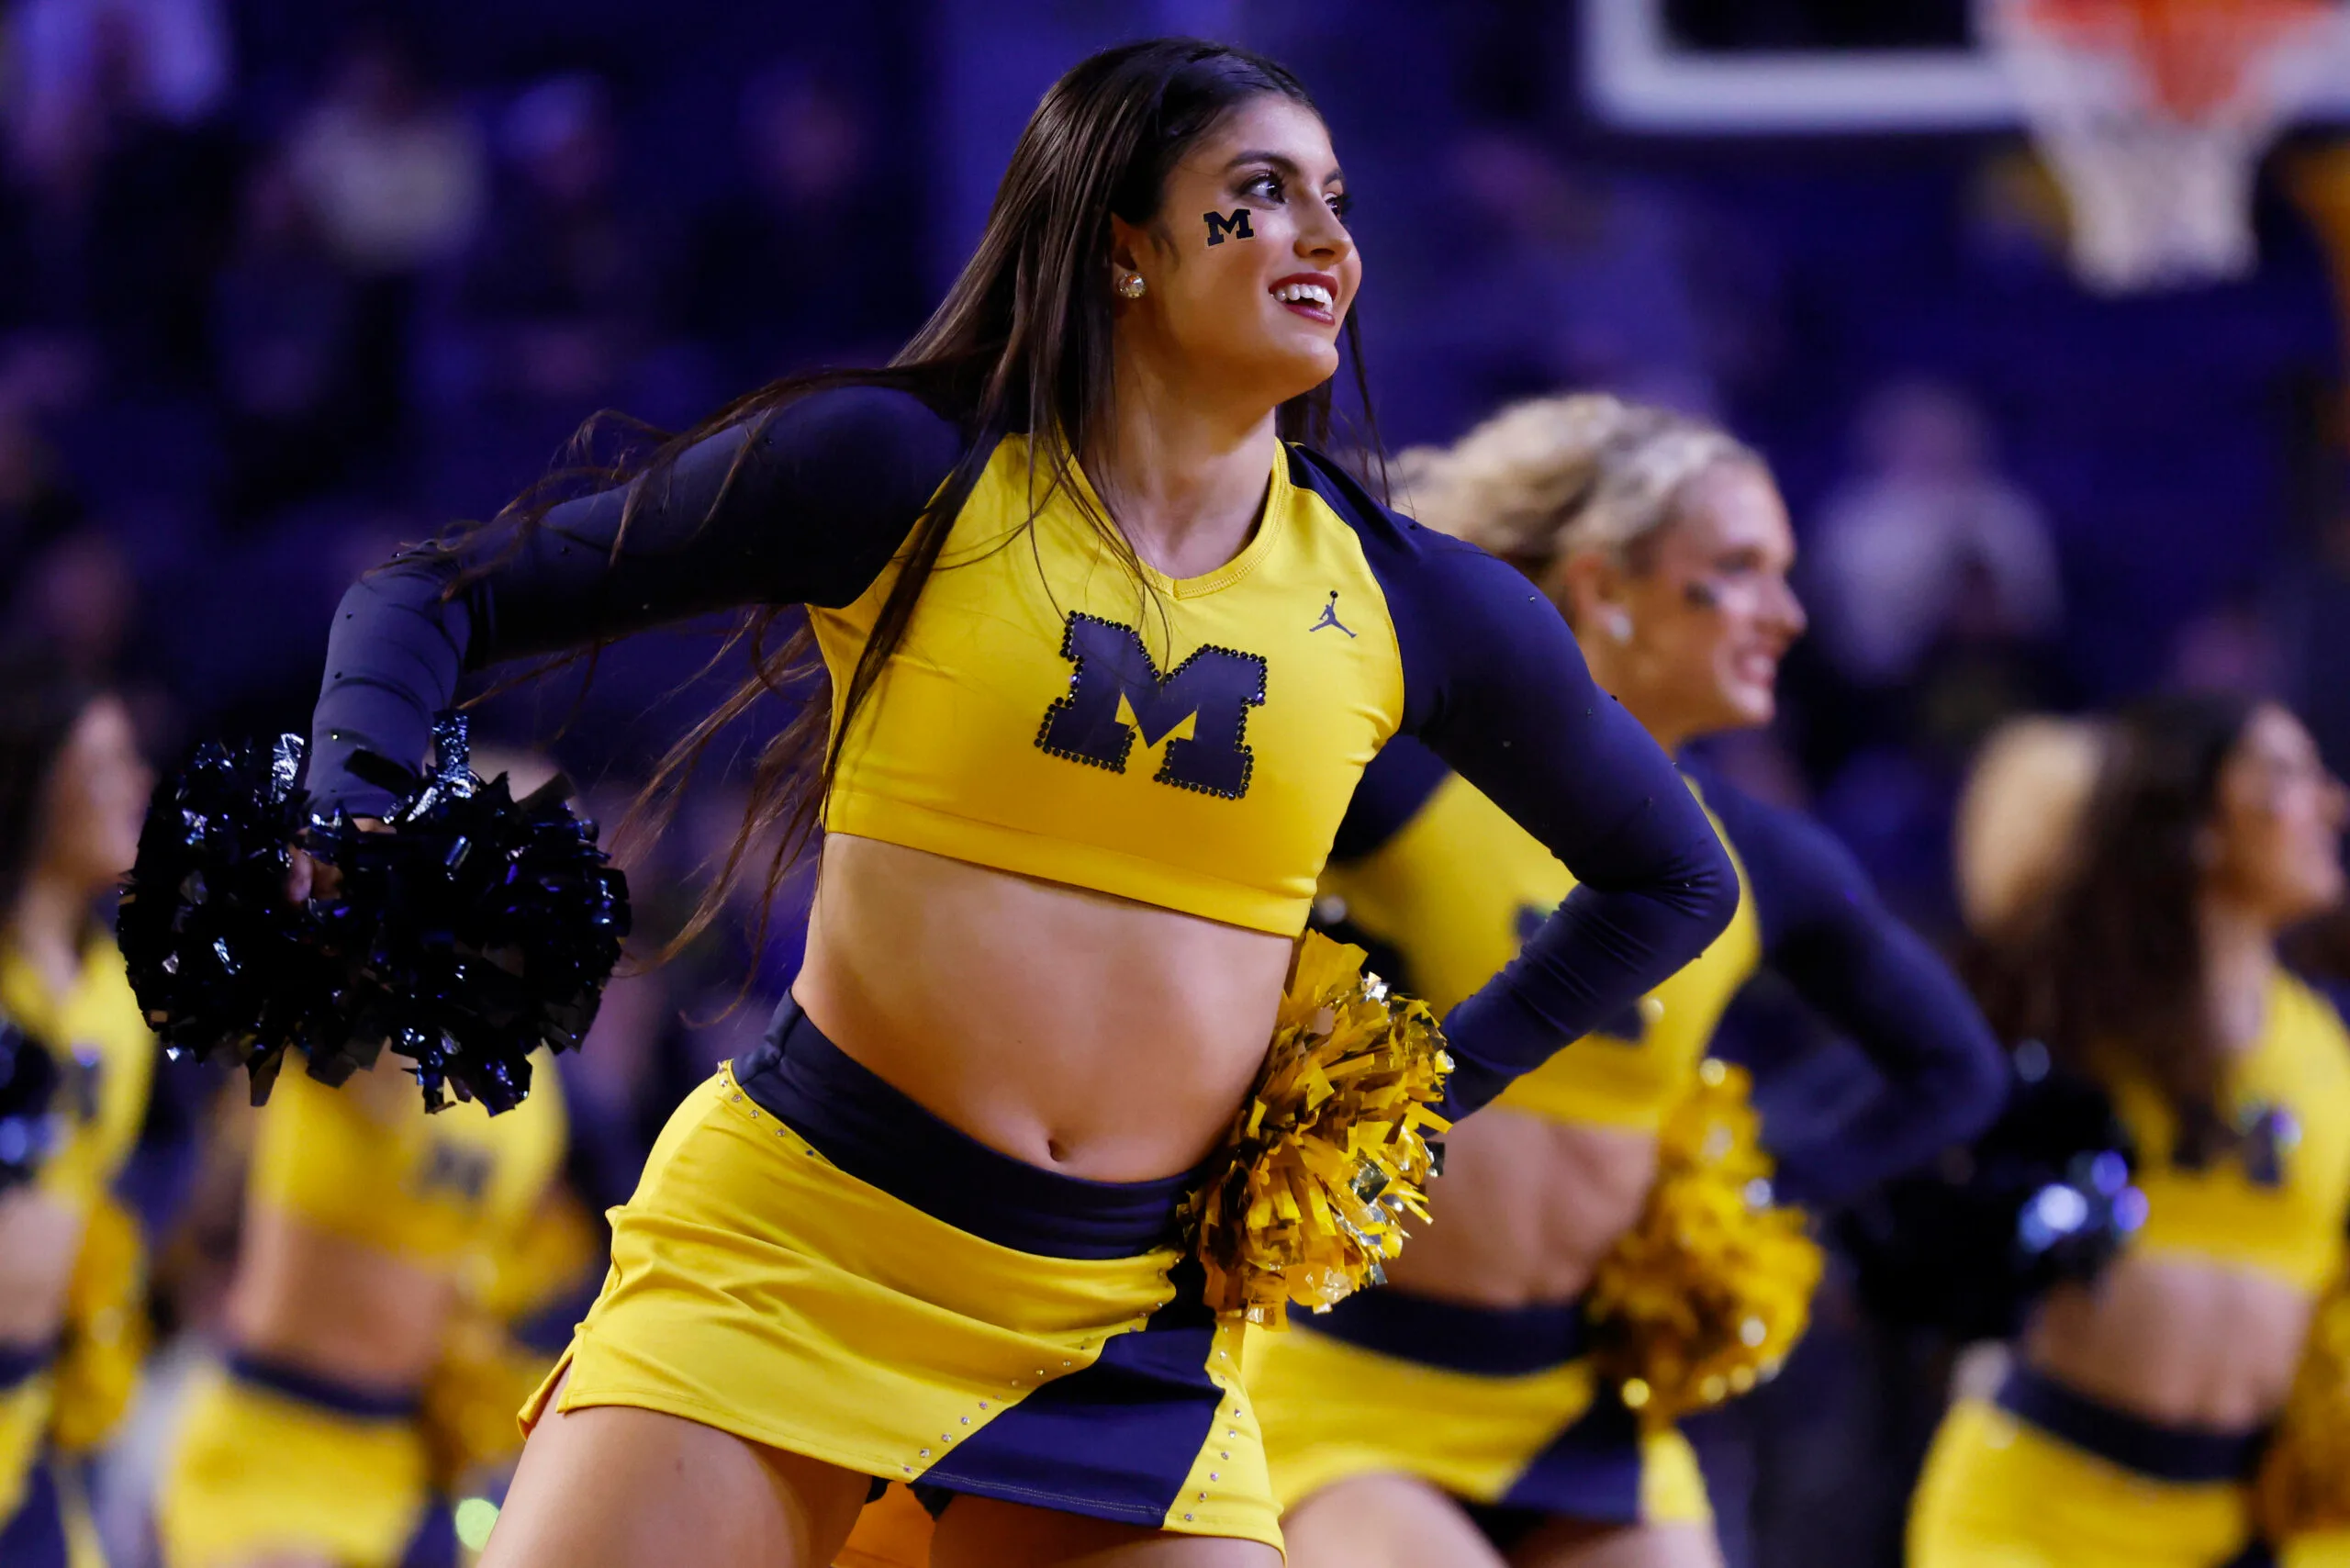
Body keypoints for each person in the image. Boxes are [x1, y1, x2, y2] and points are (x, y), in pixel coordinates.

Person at [297, 38, 1738, 1568]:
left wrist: (1415, 1100)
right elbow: (427, 596)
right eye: (1260, 196)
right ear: (1124, 245)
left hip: (1123, 1326)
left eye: (1336, 198)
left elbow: (1672, 878)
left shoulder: (1413, 602)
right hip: (795, 1252)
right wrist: (358, 818)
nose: (1327, 238)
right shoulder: (902, 469)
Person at [1246, 394, 2006, 1568]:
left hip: (1586, 1402)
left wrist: (1751, 1193)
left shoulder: (1759, 860)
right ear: (1604, 590)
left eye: (1784, 574)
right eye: (1741, 570)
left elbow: (1951, 1067)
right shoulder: (1404, 773)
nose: (1788, 616)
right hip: (1343, 1384)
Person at [1908, 691, 2350, 1568]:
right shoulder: (2073, 1015)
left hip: (2232, 1526)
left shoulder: (2327, 1048)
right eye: (2287, 774)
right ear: (2198, 815)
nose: (2332, 803)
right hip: (2035, 1518)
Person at [152, 750, 590, 1568]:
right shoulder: (349, 1007)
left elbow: (497, 1274)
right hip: (268, 1445)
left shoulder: (535, 1096)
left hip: (403, 1468)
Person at [0, 661, 159, 1567]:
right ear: (30, 778)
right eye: (101, 763)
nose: (134, 783)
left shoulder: (112, 989)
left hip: (30, 1416)